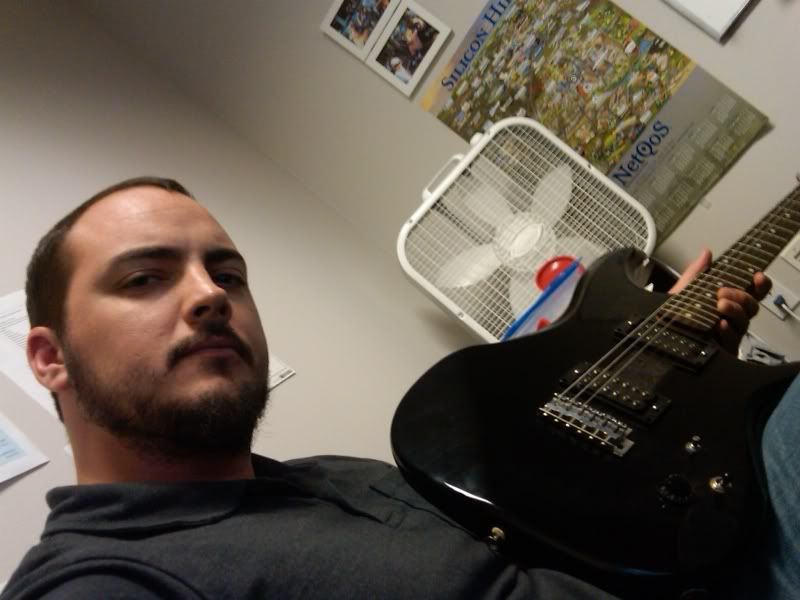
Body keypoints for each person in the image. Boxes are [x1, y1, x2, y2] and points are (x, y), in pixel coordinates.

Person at [0, 177, 787, 599]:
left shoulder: (329, 477)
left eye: (227, 273)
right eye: (144, 278)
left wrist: (690, 369)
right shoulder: (106, 577)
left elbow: (567, 519)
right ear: (49, 357)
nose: (210, 294)